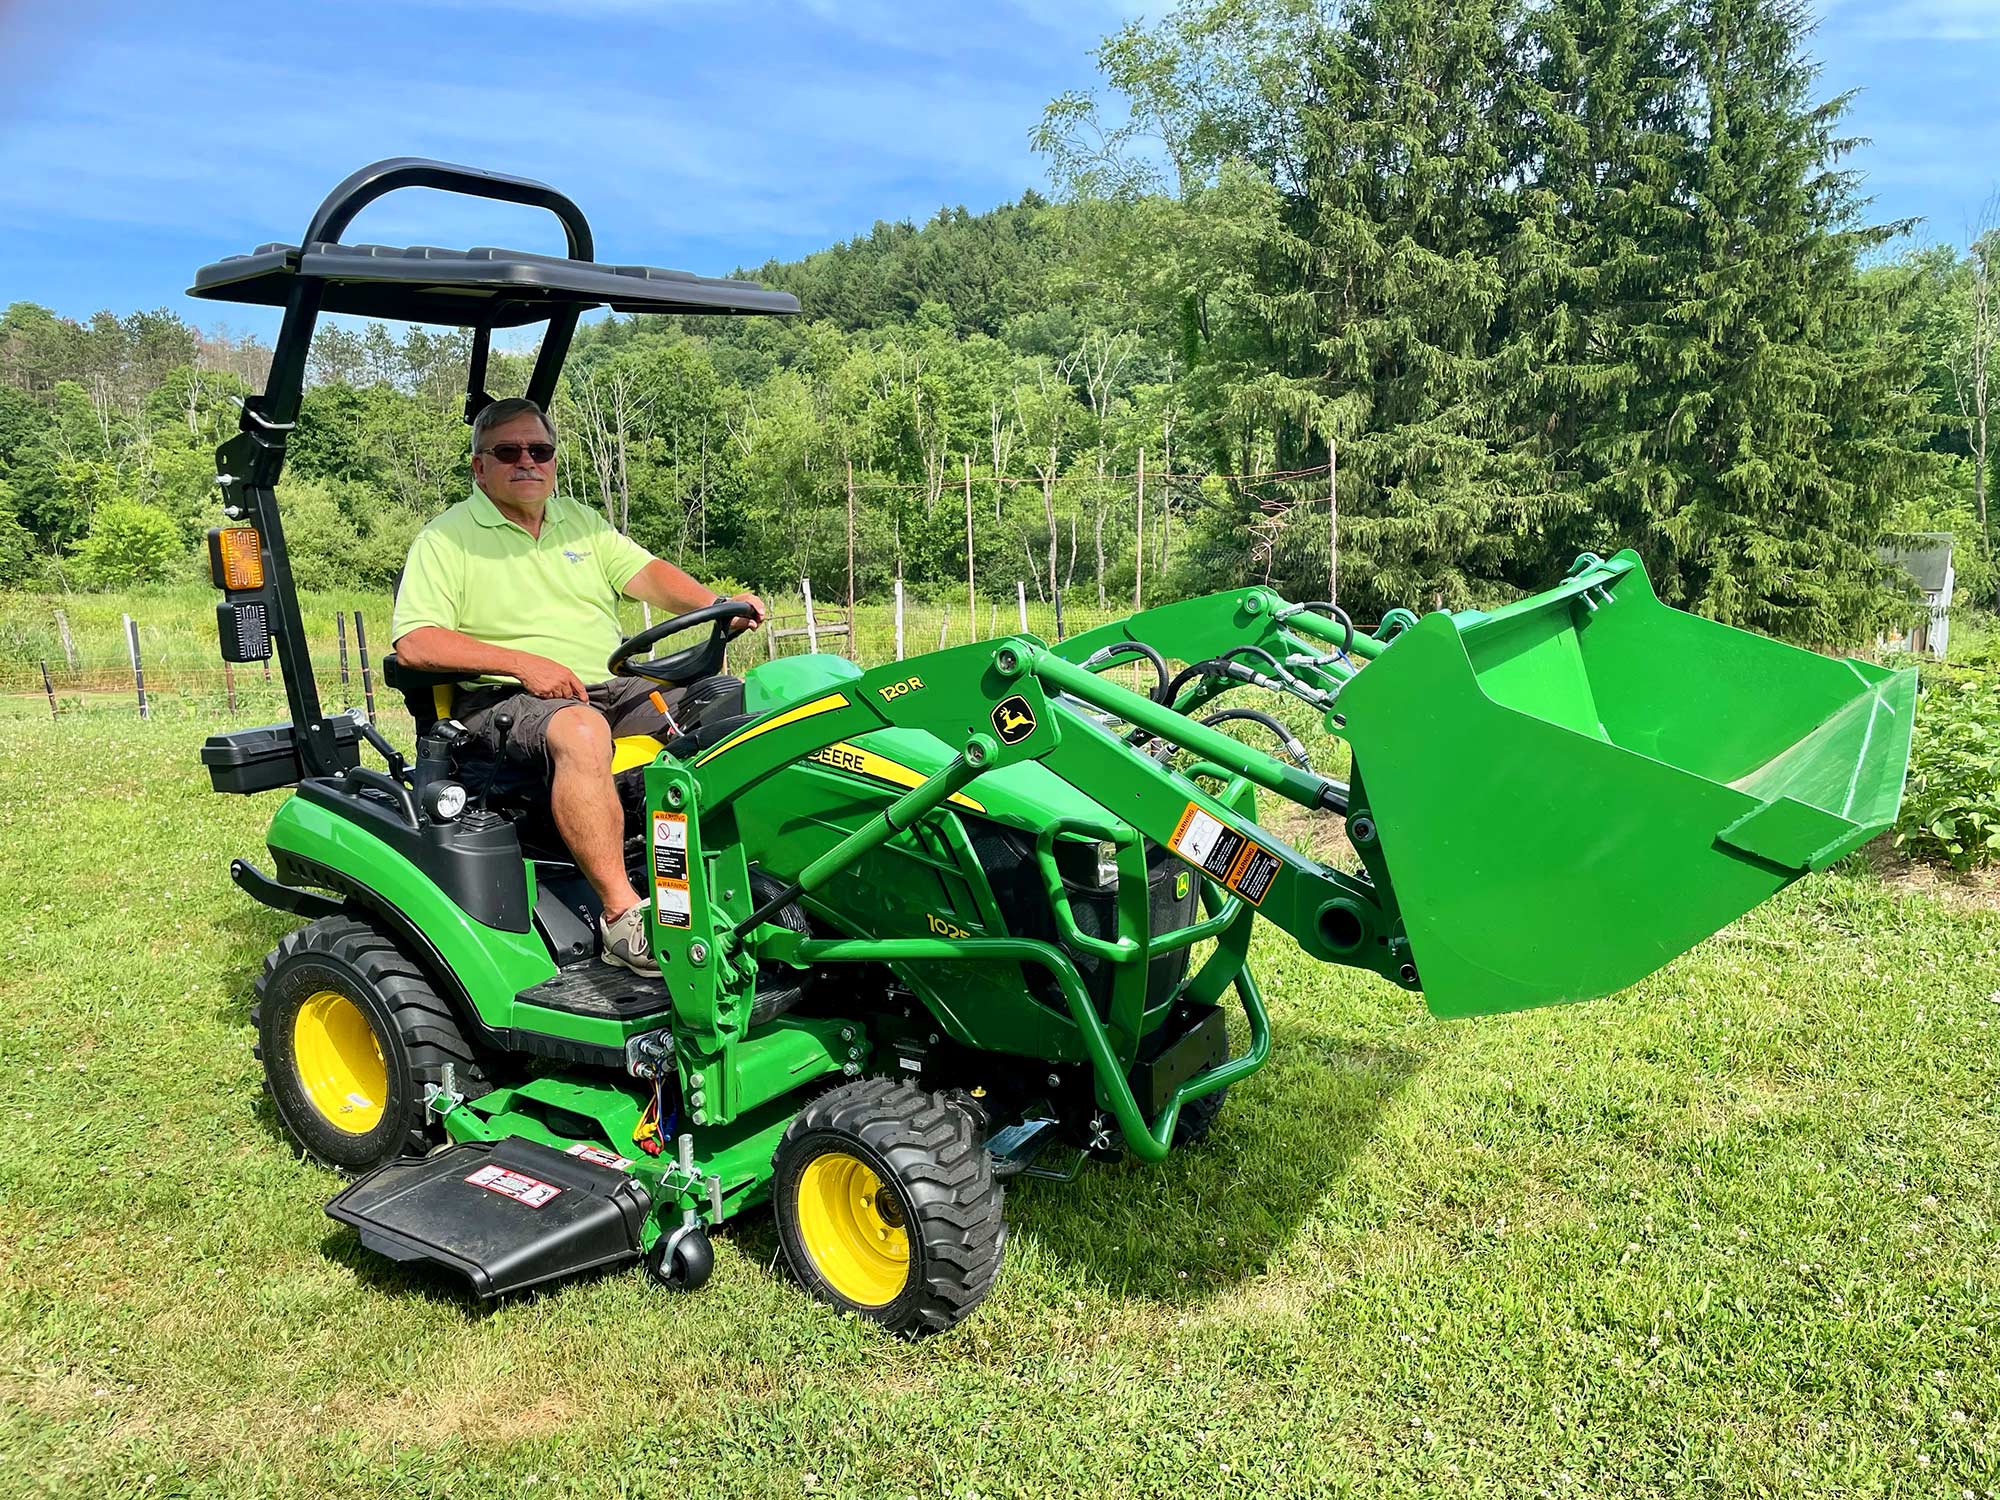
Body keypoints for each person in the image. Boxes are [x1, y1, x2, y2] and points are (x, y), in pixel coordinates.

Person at [391, 396, 766, 974]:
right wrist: (522, 664)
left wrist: (717, 604)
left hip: (607, 685)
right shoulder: (447, 539)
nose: (527, 462)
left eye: (539, 450)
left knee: (738, 702)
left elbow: (648, 575)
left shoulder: (581, 523)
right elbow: (415, 643)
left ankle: (739, 875)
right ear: (479, 466)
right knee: (583, 731)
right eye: (509, 451)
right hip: (503, 699)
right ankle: (621, 919)